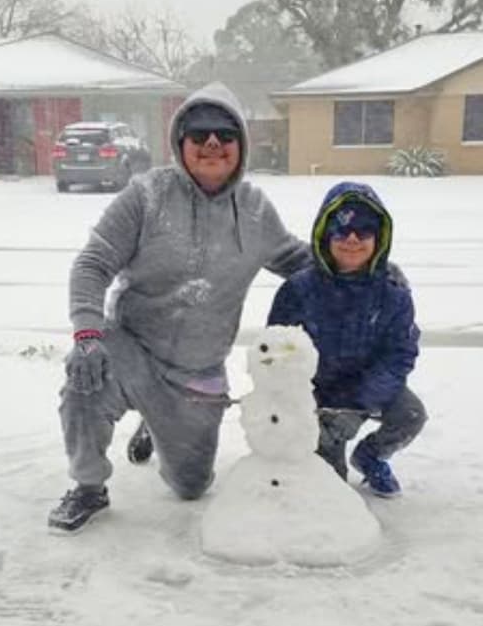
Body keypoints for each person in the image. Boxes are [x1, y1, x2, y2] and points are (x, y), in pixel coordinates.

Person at [49, 82, 312, 532]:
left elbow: (300, 262)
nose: (213, 144)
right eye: (200, 134)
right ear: (180, 142)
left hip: (198, 372)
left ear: (241, 145)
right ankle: (88, 486)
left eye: (225, 135)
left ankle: (156, 423)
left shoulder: (254, 211)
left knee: (191, 486)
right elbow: (93, 263)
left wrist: (371, 268)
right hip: (130, 348)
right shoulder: (145, 196)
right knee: (84, 383)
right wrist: (87, 334)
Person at [267, 181, 426, 497]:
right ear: (325, 234)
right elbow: (275, 356)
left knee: (410, 415)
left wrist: (358, 404)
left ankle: (370, 455)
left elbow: (399, 356)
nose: (352, 239)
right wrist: (304, 408)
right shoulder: (297, 290)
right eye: (341, 228)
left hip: (368, 387)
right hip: (317, 398)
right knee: (330, 488)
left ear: (379, 237)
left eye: (365, 229)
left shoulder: (394, 294)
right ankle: (316, 456)